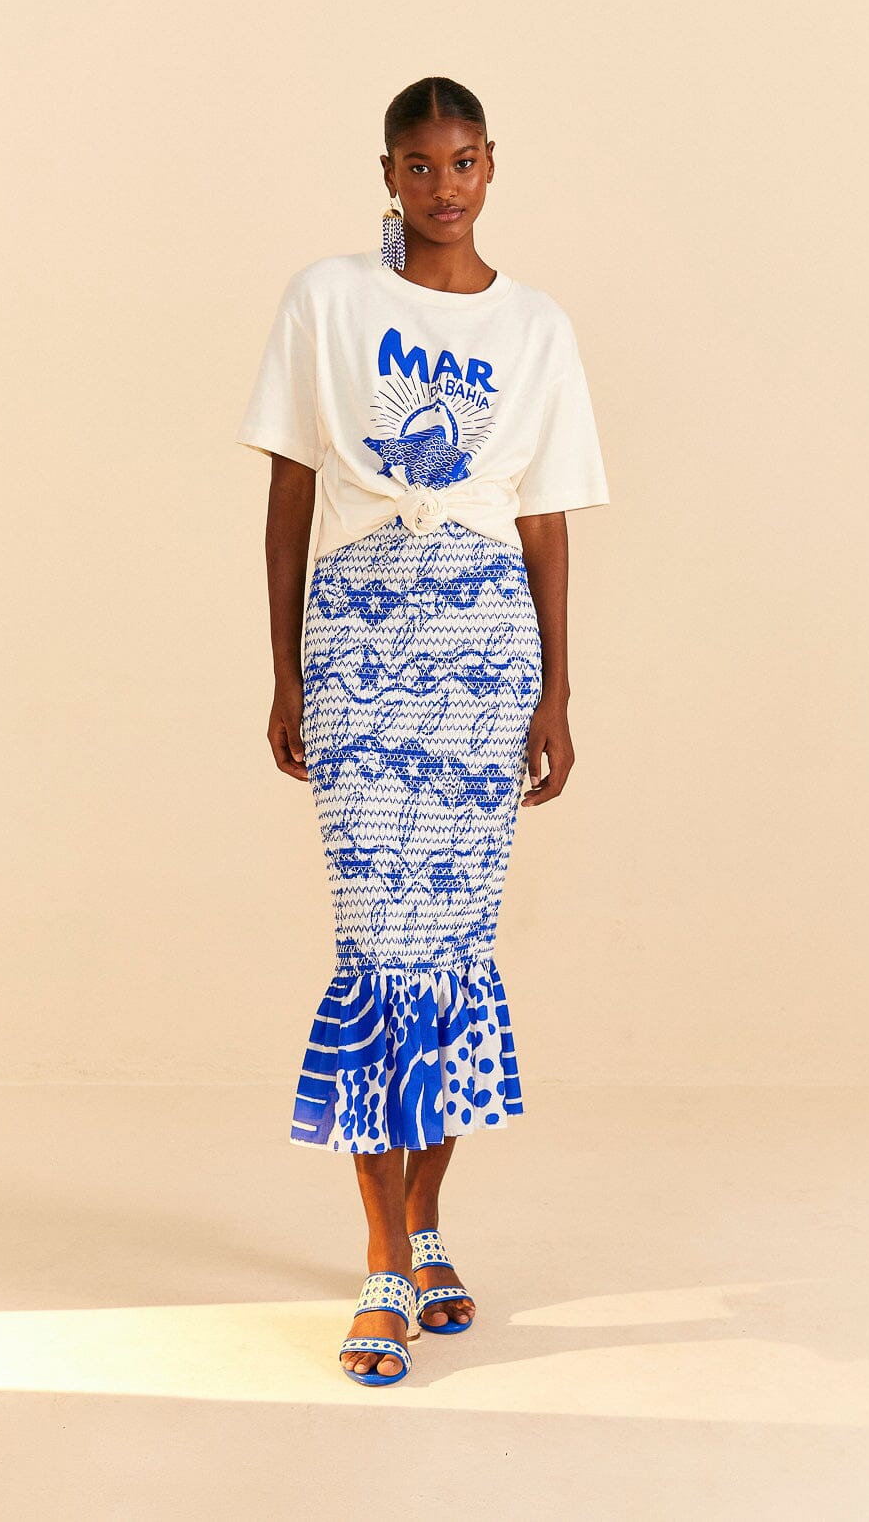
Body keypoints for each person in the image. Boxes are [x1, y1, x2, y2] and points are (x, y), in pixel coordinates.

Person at [235, 76, 610, 1386]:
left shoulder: (537, 325)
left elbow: (544, 519)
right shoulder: (327, 302)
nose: (444, 186)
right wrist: (285, 669)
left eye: (464, 162)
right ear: (387, 173)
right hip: (357, 638)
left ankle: (427, 1225)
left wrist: (557, 691)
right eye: (419, 164)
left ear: (492, 165)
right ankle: (384, 1257)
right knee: (380, 949)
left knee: (451, 958)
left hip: (484, 652)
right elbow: (290, 492)